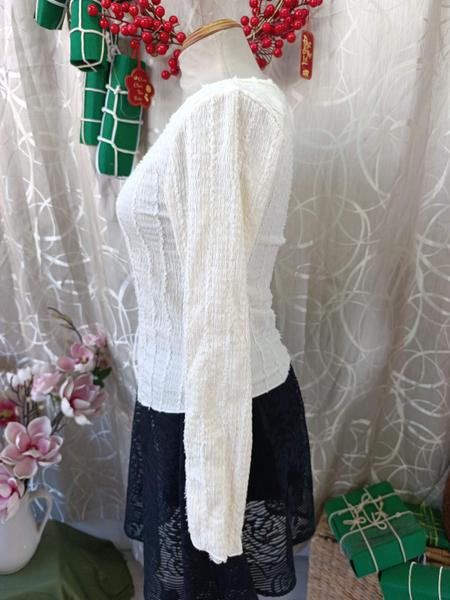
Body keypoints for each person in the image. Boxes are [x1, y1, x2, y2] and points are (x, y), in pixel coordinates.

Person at [116, 18, 315, 600]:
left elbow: (216, 303)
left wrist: (212, 490)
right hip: (208, 395)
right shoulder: (239, 104)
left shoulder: (223, 109)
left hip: (211, 406)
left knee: (210, 582)